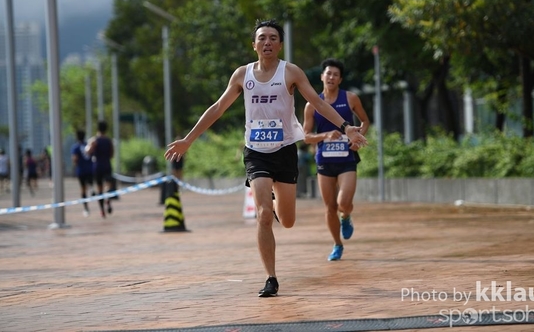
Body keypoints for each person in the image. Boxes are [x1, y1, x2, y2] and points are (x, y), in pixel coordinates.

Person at [164, 19, 368, 297]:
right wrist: (189, 139)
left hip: (284, 151)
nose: (267, 42)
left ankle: (273, 203)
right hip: (256, 152)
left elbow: (318, 102)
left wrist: (346, 127)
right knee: (263, 216)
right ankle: (271, 277)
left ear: (280, 44)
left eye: (273, 38)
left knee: (288, 220)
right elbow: (218, 107)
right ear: (254, 45)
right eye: (262, 38)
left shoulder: (290, 72)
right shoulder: (242, 74)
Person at [302, 58, 370, 261]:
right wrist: (325, 135)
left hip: (347, 158)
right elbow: (306, 137)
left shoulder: (350, 98)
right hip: (324, 161)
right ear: (322, 77)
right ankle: (337, 244)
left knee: (343, 203)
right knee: (330, 207)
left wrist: (358, 138)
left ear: (340, 79)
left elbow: (365, 121)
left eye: (335, 74)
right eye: (328, 73)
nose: (331, 77)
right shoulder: (311, 105)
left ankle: (346, 216)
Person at [86, 120, 114, 218]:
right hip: (107, 165)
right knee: (108, 186)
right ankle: (108, 200)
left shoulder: (94, 140)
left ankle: (102, 210)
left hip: (97, 166)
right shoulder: (109, 140)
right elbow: (112, 154)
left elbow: (88, 152)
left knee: (99, 189)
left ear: (98, 129)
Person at [71, 130, 95, 217]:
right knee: (89, 183)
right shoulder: (88, 145)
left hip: (81, 170)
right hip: (90, 169)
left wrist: (75, 164)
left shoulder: (75, 147)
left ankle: (86, 208)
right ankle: (91, 187)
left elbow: (75, 158)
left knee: (83, 189)